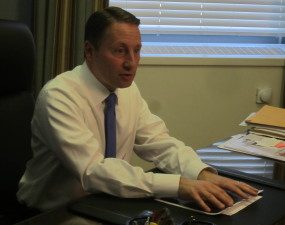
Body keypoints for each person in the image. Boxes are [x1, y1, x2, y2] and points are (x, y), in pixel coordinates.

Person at [17, 6, 258, 213]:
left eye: (137, 50)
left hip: (107, 204)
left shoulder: (126, 90)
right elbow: (94, 172)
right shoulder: (59, 96)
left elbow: (159, 143)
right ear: (90, 51)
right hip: (51, 214)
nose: (131, 63)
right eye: (120, 51)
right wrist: (178, 185)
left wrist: (201, 174)